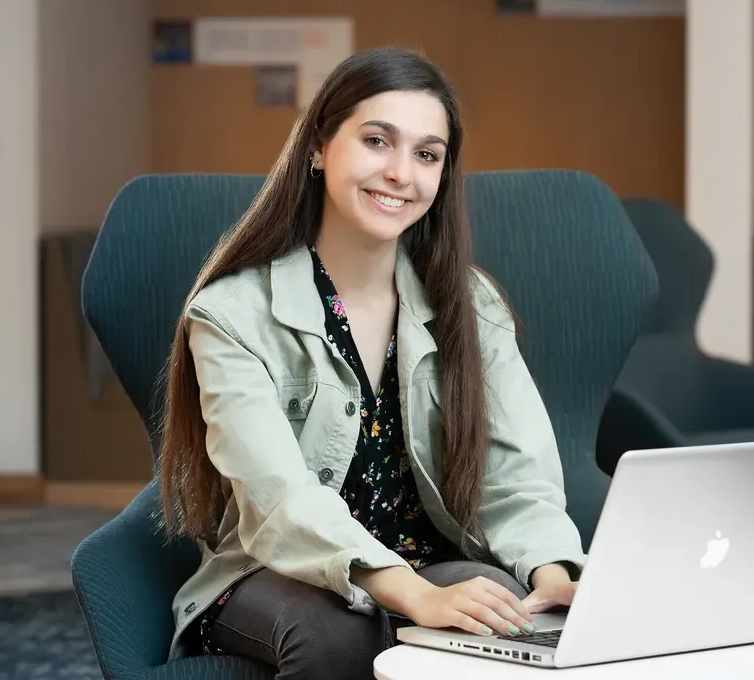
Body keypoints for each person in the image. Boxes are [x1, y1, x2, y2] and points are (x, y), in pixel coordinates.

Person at [160, 46, 586, 678]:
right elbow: (279, 499)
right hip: (278, 570)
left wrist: (553, 573)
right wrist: (412, 594)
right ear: (318, 148)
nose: (400, 173)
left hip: (427, 558)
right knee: (337, 634)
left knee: (503, 608)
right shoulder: (230, 314)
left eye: (426, 154)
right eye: (377, 141)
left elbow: (513, 471)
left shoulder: (472, 304)